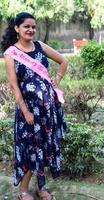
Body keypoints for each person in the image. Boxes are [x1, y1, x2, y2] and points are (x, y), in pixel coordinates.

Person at [1, 12, 67, 200]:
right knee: (30, 148)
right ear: (17, 29)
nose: (31, 30)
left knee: (44, 147)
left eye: (33, 27)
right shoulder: (11, 53)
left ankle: (41, 188)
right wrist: (25, 111)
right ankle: (23, 190)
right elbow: (14, 85)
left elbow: (64, 61)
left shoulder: (40, 46)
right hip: (28, 111)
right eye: (26, 27)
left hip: (48, 109)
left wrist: (56, 82)